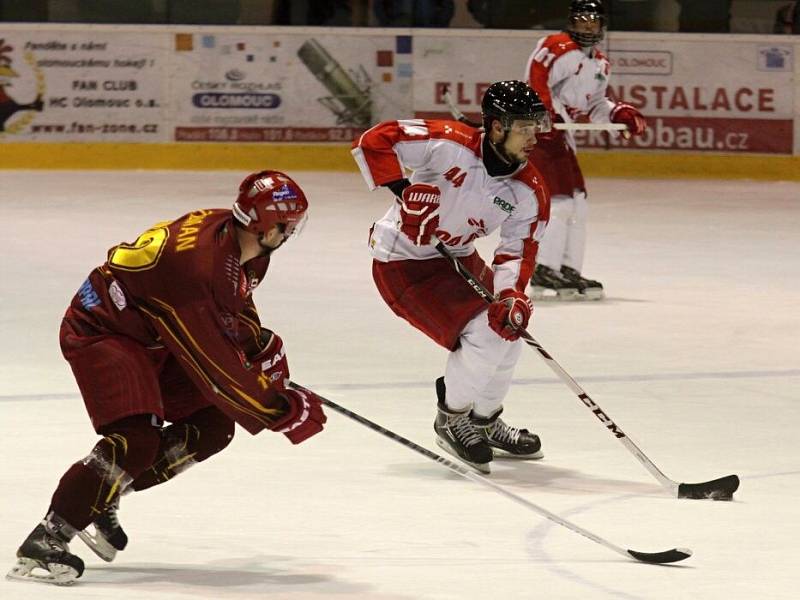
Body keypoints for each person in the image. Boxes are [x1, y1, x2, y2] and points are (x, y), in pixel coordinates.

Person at [7, 171, 327, 586]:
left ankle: (101, 492)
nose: (292, 233)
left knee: (212, 426)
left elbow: (231, 312)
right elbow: (216, 367)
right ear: (265, 224)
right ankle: (48, 536)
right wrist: (279, 409)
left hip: (153, 332)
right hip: (105, 330)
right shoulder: (196, 268)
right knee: (136, 440)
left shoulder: (242, 246)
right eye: (289, 224)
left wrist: (262, 348)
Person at [351, 80, 551, 474]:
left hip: (455, 256)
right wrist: (403, 192)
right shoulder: (447, 142)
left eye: (535, 126)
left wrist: (510, 294)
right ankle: (452, 417)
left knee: (510, 328)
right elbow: (377, 139)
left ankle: (484, 419)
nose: (533, 137)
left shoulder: (528, 191)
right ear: (496, 127)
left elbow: (518, 249)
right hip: (402, 260)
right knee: (486, 335)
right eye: (523, 127)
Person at [524, 0, 647, 300]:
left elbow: (595, 104)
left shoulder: (601, 64)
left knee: (578, 203)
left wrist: (620, 113)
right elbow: (536, 80)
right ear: (571, 22)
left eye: (593, 21)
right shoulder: (555, 46)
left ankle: (567, 268)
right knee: (561, 202)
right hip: (541, 132)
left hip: (562, 134)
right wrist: (545, 117)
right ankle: (544, 268)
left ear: (602, 25)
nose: (588, 26)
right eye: (582, 20)